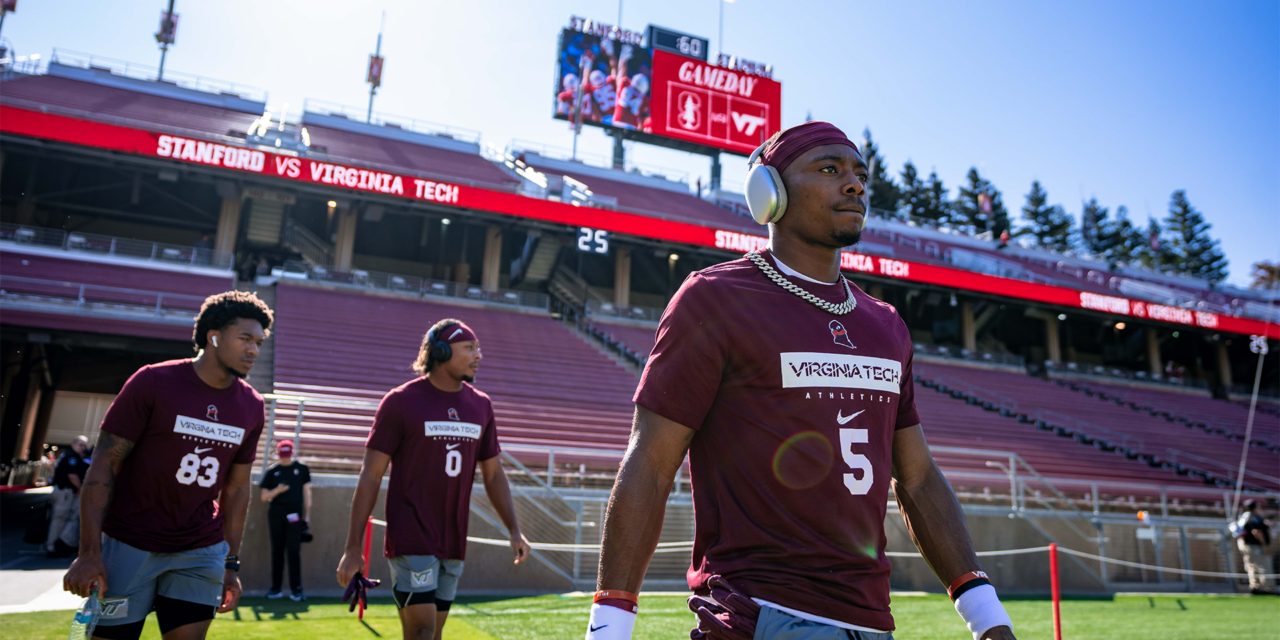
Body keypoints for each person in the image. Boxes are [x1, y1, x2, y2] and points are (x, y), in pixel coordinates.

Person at [587, 122, 1016, 640]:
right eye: (830, 169)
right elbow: (651, 464)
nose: (855, 184)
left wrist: (987, 616)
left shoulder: (885, 324)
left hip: (872, 622)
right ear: (768, 192)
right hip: (759, 613)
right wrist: (608, 625)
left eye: (860, 173)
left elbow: (919, 478)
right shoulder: (715, 298)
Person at [63, 291, 273, 640]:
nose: (254, 350)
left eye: (260, 343)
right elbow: (103, 466)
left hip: (200, 547)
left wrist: (230, 562)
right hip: (130, 541)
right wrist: (88, 553)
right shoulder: (153, 381)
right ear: (214, 336)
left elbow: (236, 488)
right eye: (246, 339)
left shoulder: (252, 405)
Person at [337, 318, 531, 640]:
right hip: (411, 535)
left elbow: (494, 474)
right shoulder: (400, 401)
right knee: (422, 631)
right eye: (469, 347)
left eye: (478, 348)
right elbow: (370, 475)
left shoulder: (481, 405)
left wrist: (514, 530)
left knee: (433, 634)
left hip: (453, 538)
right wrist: (353, 547)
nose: (478, 355)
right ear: (440, 351)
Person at [260, 439, 312, 601]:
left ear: (293, 453)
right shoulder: (272, 471)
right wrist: (278, 490)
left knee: (294, 551)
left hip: (295, 515)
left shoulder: (301, 469)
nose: (284, 458)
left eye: (287, 455)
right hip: (276, 514)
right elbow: (264, 496)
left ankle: (296, 589)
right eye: (282, 455)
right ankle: (276, 588)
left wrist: (307, 516)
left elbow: (307, 493)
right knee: (277, 551)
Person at [46, 435, 91, 556]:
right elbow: (72, 476)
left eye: (84, 445)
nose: (83, 448)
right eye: (80, 445)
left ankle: (59, 545)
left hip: (65, 491)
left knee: (65, 518)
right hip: (64, 491)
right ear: (73, 444)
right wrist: (80, 488)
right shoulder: (71, 457)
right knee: (59, 519)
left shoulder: (72, 456)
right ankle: (52, 547)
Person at [1233, 500, 1273, 594]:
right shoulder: (1253, 518)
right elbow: (1256, 532)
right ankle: (1268, 588)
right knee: (1263, 566)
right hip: (1255, 546)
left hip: (1247, 546)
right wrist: (1265, 546)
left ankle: (1255, 587)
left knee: (1251, 566)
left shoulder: (1244, 517)